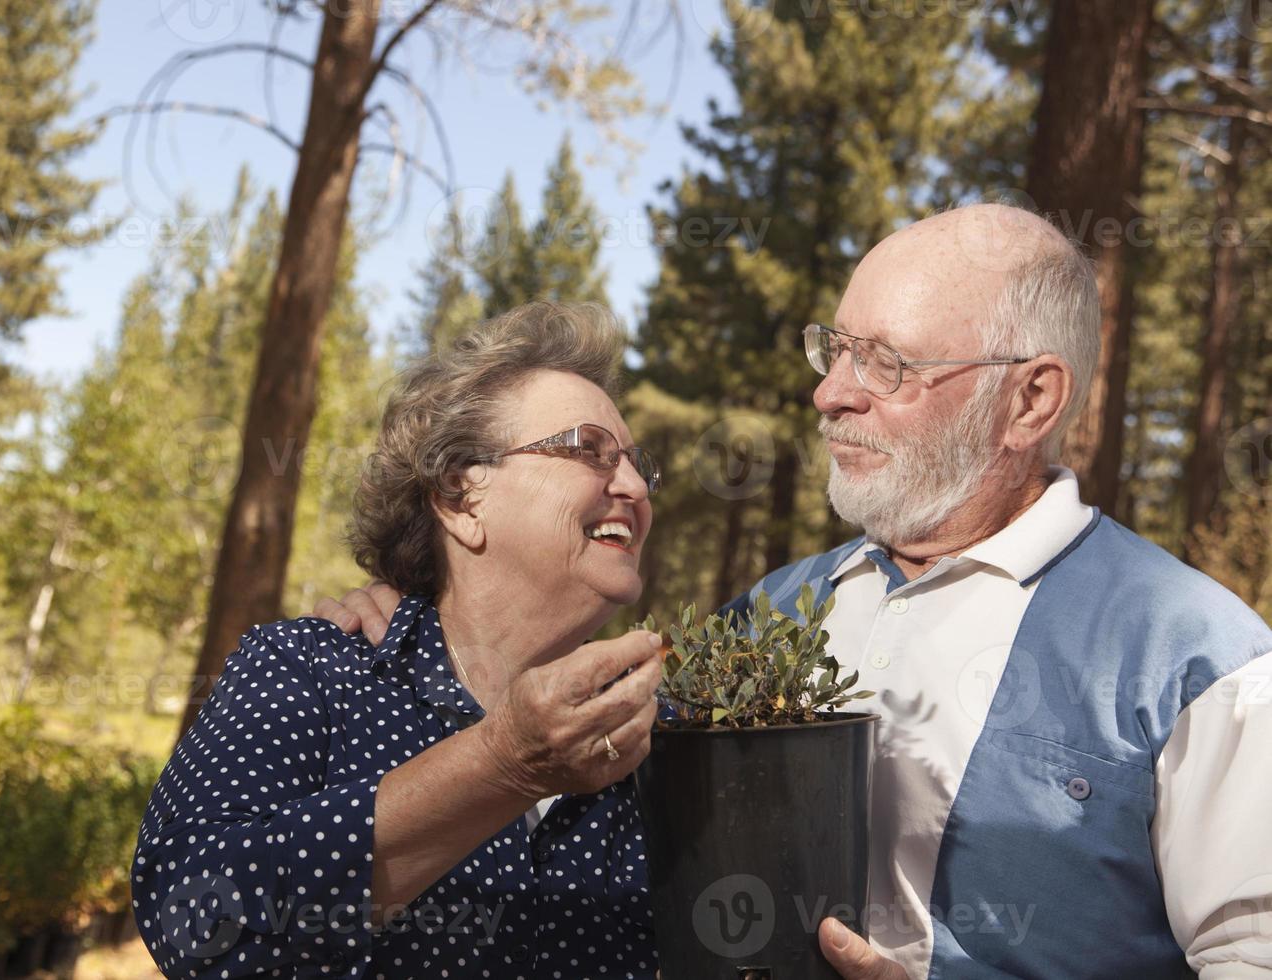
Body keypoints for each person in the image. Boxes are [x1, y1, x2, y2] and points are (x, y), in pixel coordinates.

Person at [320, 204, 1272, 979]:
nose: (831, 394)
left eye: (887, 364)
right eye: (837, 350)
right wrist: (422, 596)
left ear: (1029, 401)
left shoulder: (1197, 654)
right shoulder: (769, 618)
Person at [131, 302, 670, 979]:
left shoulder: (674, 732)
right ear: (459, 496)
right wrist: (503, 764)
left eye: (635, 464)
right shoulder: (311, 669)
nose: (632, 486)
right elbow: (192, 917)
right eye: (588, 450)